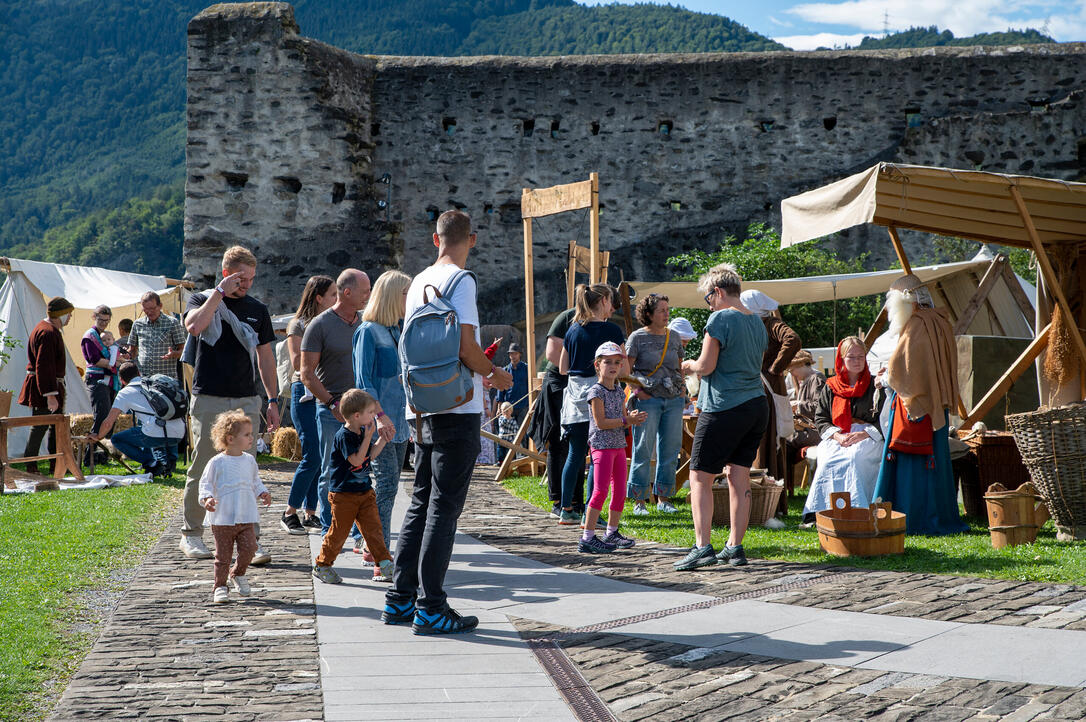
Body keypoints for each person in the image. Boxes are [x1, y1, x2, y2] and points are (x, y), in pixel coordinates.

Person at [382, 210, 512, 636]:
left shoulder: (417, 281)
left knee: (421, 498)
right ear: (470, 239)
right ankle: (432, 605)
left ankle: (400, 597)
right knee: (444, 506)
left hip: (420, 404)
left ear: (433, 239)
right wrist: (494, 374)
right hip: (458, 404)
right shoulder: (463, 280)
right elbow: (467, 345)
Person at [180, 246, 279, 563]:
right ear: (225, 274)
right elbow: (194, 327)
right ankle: (192, 534)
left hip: (246, 398)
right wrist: (219, 294)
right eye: (240, 277)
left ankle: (250, 539)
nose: (246, 284)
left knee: (246, 469)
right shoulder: (202, 300)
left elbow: (266, 358)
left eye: (251, 278)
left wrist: (272, 399)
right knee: (204, 464)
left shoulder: (258, 309)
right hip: (209, 395)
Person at [676, 263, 768, 570]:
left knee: (699, 476)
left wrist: (688, 364)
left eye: (708, 298)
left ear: (718, 292)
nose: (709, 305)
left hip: (724, 406)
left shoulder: (720, 318)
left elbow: (706, 366)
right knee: (738, 475)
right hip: (756, 405)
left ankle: (702, 547)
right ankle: (735, 546)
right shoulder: (756, 321)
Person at [872, 275, 968, 536]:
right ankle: (940, 516)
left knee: (912, 465)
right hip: (936, 405)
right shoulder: (940, 321)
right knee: (935, 463)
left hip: (916, 408)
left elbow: (901, 371)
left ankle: (913, 518)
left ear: (904, 302)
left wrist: (884, 378)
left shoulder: (916, 325)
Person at [301, 269, 380, 537]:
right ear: (347, 293)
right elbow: (307, 374)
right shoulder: (320, 325)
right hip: (331, 409)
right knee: (331, 470)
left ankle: (359, 534)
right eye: (365, 291)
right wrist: (333, 404)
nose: (369, 296)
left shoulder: (367, 323)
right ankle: (329, 529)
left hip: (364, 410)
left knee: (363, 467)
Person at [353, 269, 412, 580]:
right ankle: (381, 558)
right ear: (392, 296)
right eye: (406, 293)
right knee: (387, 487)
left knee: (387, 488)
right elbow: (363, 382)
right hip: (380, 422)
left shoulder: (396, 331)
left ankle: (370, 546)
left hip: (400, 422)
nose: (409, 299)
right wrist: (379, 416)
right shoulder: (369, 331)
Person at [557, 284, 625, 526]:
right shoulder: (612, 331)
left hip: (575, 398)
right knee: (598, 455)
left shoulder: (573, 330)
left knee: (575, 455)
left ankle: (566, 509)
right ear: (605, 300)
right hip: (601, 395)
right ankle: (589, 511)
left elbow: (563, 368)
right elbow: (624, 368)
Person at [312, 389, 395, 585]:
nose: (374, 416)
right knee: (339, 533)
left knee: (374, 530)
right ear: (357, 416)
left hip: (364, 492)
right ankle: (322, 565)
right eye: (371, 412)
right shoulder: (345, 436)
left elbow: (369, 458)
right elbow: (357, 460)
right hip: (344, 495)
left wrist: (382, 439)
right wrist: (368, 438)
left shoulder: (361, 432)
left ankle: (385, 564)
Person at [801, 337, 884, 523]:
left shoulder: (876, 385)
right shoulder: (831, 386)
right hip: (837, 434)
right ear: (841, 359)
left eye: (860, 356)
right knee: (828, 460)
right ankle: (822, 511)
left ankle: (858, 510)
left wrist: (863, 434)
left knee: (855, 458)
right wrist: (837, 436)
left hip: (868, 435)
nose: (856, 361)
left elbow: (885, 418)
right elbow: (821, 418)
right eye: (851, 357)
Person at [280, 275, 336, 536]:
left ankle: (310, 512)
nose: (336, 299)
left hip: (323, 390)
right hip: (304, 391)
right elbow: (296, 363)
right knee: (312, 453)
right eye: (333, 295)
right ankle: (289, 512)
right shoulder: (298, 325)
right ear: (319, 297)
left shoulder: (330, 323)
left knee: (321, 454)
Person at [197, 410, 271, 604]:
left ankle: (237, 573)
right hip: (223, 519)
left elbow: (255, 481)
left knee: (250, 548)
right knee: (223, 555)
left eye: (251, 434)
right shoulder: (216, 462)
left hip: (245, 516)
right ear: (230, 438)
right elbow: (205, 484)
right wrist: (207, 499)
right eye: (246, 434)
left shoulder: (249, 460)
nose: (251, 438)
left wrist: (262, 492)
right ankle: (220, 586)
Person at [581, 342, 646, 553]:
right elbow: (601, 422)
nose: (613, 366)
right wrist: (627, 420)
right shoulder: (595, 392)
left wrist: (631, 418)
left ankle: (612, 532)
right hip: (601, 447)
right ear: (597, 365)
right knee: (600, 491)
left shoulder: (619, 391)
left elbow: (620, 417)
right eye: (607, 361)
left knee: (619, 492)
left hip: (618, 445)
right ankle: (588, 537)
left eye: (617, 362)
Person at [626, 293, 685, 516]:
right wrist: (639, 393)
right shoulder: (637, 338)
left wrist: (681, 390)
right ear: (648, 314)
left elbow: (679, 366)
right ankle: (639, 501)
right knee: (643, 449)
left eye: (667, 309)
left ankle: (664, 498)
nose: (666, 314)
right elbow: (626, 371)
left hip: (673, 400)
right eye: (662, 310)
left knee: (670, 450)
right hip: (647, 401)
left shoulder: (675, 336)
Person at [742, 289, 800, 514]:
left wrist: (775, 368)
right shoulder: (755, 323)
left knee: (766, 440)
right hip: (759, 387)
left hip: (767, 388)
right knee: (759, 441)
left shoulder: (771, 322)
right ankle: (760, 500)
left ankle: (768, 503)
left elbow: (793, 339)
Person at [87, 362, 185, 477]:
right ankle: (161, 464)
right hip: (179, 433)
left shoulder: (125, 393)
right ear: (138, 373)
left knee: (117, 439)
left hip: (155, 433)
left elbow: (108, 422)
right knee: (145, 427)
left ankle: (153, 463)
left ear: (121, 380)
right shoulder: (154, 384)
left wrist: (98, 437)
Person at [527, 308, 576, 518]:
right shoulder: (566, 318)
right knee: (558, 443)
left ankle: (574, 501)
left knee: (576, 444)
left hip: (578, 385)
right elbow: (552, 354)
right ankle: (558, 500)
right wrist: (577, 371)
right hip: (560, 383)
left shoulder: (601, 323)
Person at [18, 297, 74, 474]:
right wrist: (50, 395)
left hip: (49, 386)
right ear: (60, 315)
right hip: (45, 388)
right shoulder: (48, 332)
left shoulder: (48, 329)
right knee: (41, 424)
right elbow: (44, 365)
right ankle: (31, 464)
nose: (70, 317)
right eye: (69, 314)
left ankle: (55, 464)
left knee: (55, 426)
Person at [785, 349, 826, 475]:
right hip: (808, 429)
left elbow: (819, 407)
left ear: (801, 364)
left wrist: (797, 405)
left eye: (792, 369)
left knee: (783, 442)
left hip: (816, 430)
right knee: (780, 437)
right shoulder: (808, 380)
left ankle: (782, 482)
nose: (791, 373)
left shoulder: (816, 379)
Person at [129, 291, 186, 381]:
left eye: (152, 308)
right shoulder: (137, 324)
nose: (149, 312)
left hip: (166, 380)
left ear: (160, 306)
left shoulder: (172, 323)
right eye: (145, 309)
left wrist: (174, 354)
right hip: (144, 379)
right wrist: (125, 356)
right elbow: (132, 350)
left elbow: (184, 351)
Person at [81, 305, 117, 438]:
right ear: (94, 317)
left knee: (109, 417)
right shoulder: (90, 336)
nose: (103, 323)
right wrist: (115, 364)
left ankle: (103, 455)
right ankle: (91, 456)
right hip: (96, 379)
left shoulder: (105, 336)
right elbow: (94, 359)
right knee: (101, 416)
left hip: (108, 380)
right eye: (101, 320)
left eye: (106, 320)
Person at [497, 342, 528, 428]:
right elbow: (500, 389)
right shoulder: (505, 370)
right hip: (508, 407)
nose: (513, 356)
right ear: (509, 355)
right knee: (509, 433)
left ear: (520, 354)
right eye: (511, 353)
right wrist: (499, 407)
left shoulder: (526, 368)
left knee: (522, 433)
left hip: (523, 406)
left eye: (515, 353)